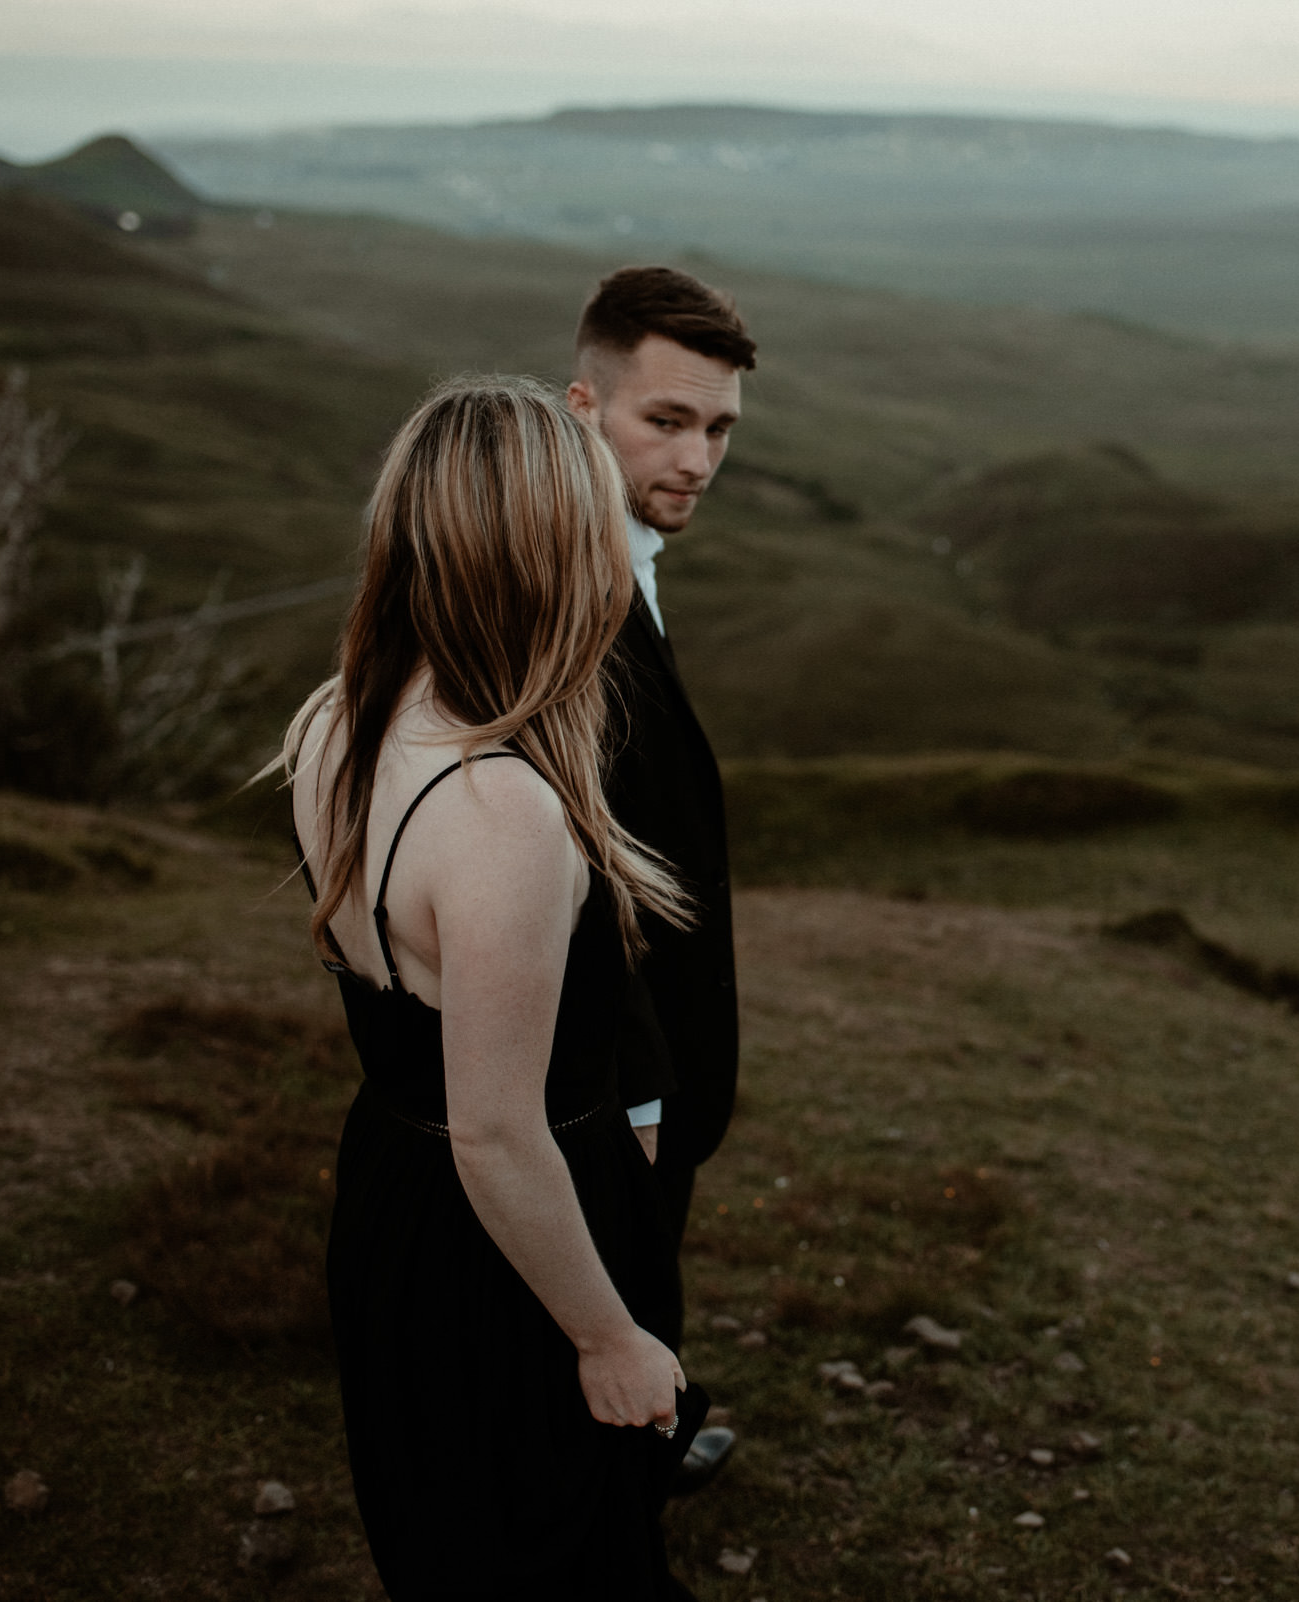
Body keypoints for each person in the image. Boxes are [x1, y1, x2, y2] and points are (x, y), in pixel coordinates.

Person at [281, 376, 705, 1598]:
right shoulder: (498, 809)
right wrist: (609, 1336)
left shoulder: (335, 719)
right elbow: (500, 1133)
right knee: (559, 1550)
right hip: (508, 1247)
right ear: (550, 554)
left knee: (447, 1531)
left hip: (392, 1204)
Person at [564, 267, 755, 1490]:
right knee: (602, 1291)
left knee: (648, 1267)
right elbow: (568, 867)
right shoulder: (565, 594)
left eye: (720, 429)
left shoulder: (627, 555)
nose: (697, 458)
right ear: (584, 409)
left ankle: (653, 1438)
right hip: (612, 1067)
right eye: (666, 421)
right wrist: (635, 1089)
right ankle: (620, 1480)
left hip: (659, 1056)